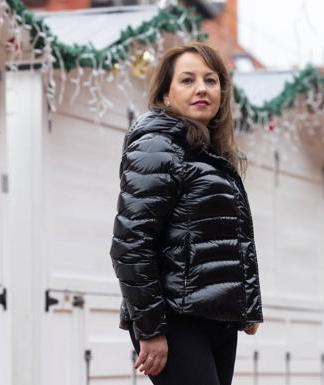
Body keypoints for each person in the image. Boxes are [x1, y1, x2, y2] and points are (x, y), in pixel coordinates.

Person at [109, 41, 263, 385]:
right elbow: (131, 243)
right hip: (176, 320)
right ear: (166, 94)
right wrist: (150, 329)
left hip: (216, 318)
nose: (202, 89)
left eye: (211, 80)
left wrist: (247, 307)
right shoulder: (157, 145)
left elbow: (235, 238)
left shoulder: (211, 155)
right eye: (188, 80)